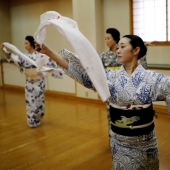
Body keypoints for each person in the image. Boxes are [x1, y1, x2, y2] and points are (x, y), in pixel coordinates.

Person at [34, 34, 169, 169]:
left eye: (122, 47)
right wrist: (49, 52)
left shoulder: (153, 78)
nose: (118, 50)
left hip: (147, 145)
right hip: (120, 144)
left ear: (136, 50)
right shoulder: (110, 77)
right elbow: (82, 72)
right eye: (118, 47)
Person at [100, 28, 155, 144]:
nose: (106, 41)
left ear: (115, 39)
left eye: (108, 38)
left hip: (129, 89)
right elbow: (101, 74)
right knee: (112, 115)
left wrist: (141, 48)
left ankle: (134, 139)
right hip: (112, 90)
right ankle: (114, 140)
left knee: (131, 115)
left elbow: (139, 66)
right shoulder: (103, 56)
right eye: (105, 39)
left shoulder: (125, 54)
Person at [1, 36, 63, 128]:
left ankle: (38, 116)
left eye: (26, 43)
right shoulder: (24, 56)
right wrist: (4, 50)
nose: (24, 45)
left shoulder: (40, 55)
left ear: (31, 44)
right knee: (30, 102)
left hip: (39, 81)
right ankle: (32, 121)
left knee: (38, 101)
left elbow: (49, 62)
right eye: (24, 43)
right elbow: (13, 59)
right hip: (29, 81)